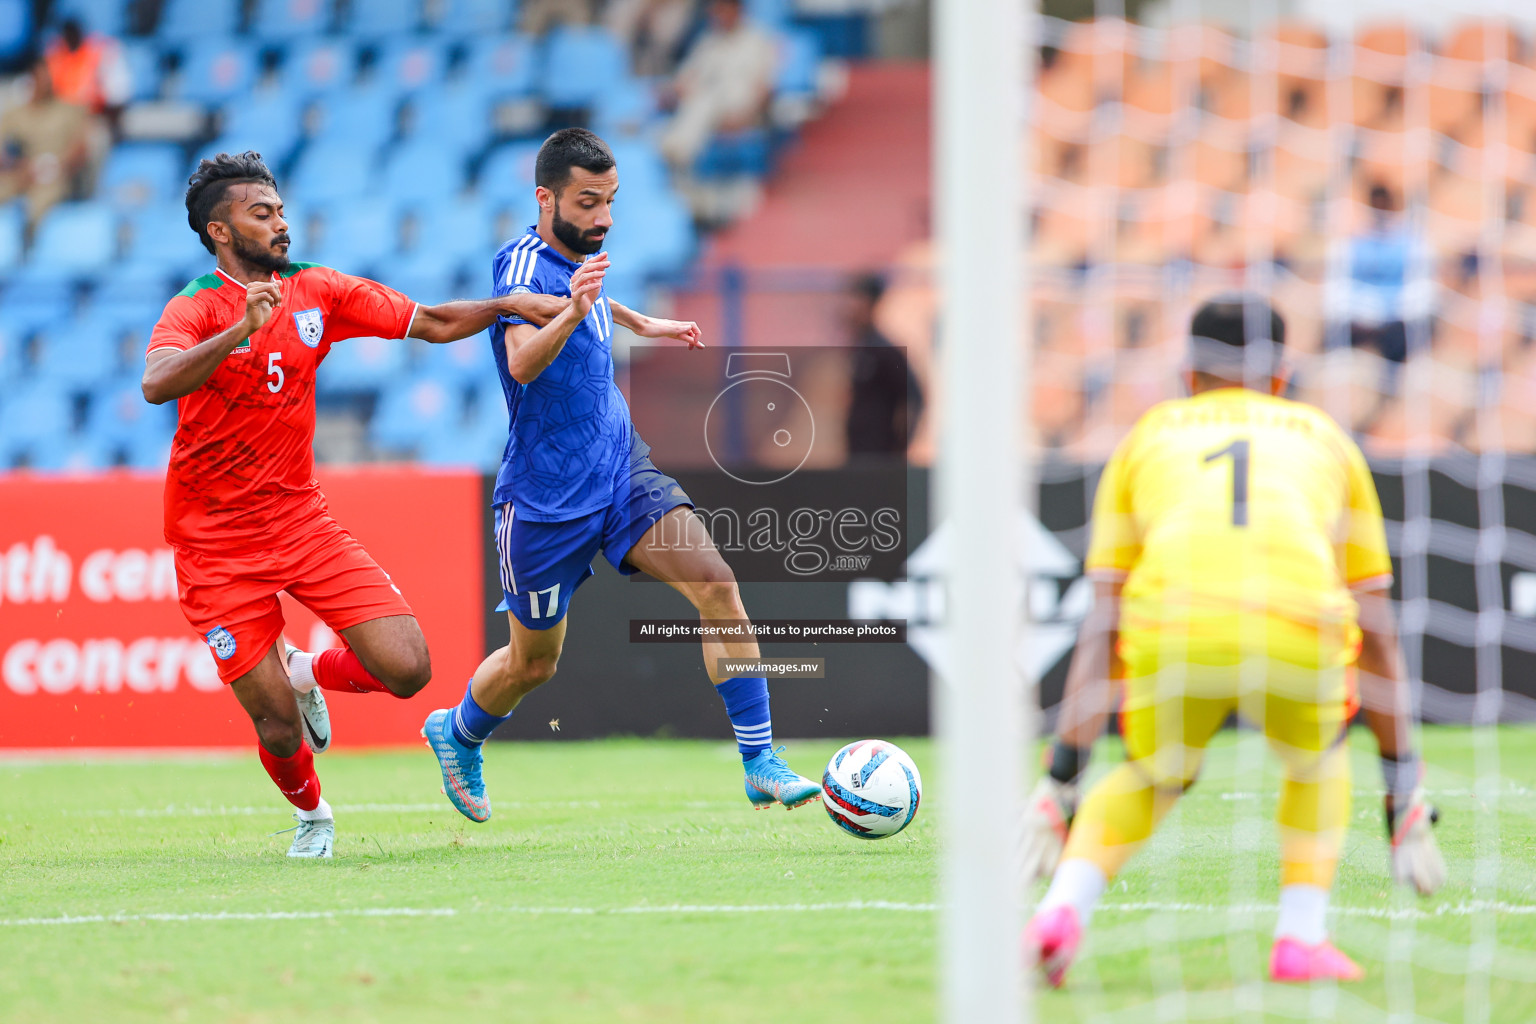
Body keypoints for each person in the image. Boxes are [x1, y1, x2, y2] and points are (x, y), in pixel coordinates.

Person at [1018, 296, 1447, 987]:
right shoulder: (1324, 437)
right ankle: (1301, 938)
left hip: (1175, 627)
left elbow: (1103, 624)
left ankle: (1060, 912)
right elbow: (1377, 630)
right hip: (1298, 626)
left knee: (1154, 774)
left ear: (1188, 374)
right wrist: (1402, 787)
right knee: (1316, 761)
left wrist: (1061, 776)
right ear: (1282, 376)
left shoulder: (1148, 437)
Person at [141, 152, 559, 858]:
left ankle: (307, 670)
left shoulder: (319, 291)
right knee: (276, 726)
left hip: (299, 520)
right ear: (220, 230)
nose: (280, 223)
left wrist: (507, 306)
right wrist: (239, 330)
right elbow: (156, 383)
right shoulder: (195, 304)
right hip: (213, 544)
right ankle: (313, 816)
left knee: (408, 667)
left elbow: (429, 321)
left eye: (279, 210)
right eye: (261, 213)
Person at [422, 128, 822, 821]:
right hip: (544, 501)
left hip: (617, 470)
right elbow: (522, 360)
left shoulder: (586, 257)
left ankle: (760, 760)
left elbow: (590, 302)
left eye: (610, 201)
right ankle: (457, 732)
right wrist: (577, 309)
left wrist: (639, 319)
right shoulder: (519, 265)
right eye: (587, 202)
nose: (603, 217)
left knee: (718, 585)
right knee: (533, 665)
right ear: (545, 199)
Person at [658, 0, 777, 170]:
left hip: (741, 107)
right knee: (700, 100)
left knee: (704, 102)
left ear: (737, 10)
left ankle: (675, 154)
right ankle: (674, 155)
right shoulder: (709, 40)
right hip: (707, 105)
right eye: (716, 11)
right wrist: (682, 91)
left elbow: (766, 89)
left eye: (723, 10)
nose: (718, 15)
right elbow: (684, 78)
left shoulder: (758, 40)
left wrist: (746, 119)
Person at [0, 59, 93, 226]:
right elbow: (3, 152)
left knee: (39, 204)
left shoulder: (69, 111)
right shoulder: (14, 114)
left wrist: (54, 166)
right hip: (21, 173)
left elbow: (80, 148)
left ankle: (29, 245)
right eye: (40, 78)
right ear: (31, 80)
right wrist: (21, 166)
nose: (46, 83)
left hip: (55, 176)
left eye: (48, 78)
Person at [842, 271, 923, 457]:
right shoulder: (860, 347)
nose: (851, 307)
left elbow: (915, 397)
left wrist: (900, 445)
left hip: (878, 455)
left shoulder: (885, 350)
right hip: (857, 454)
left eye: (857, 300)